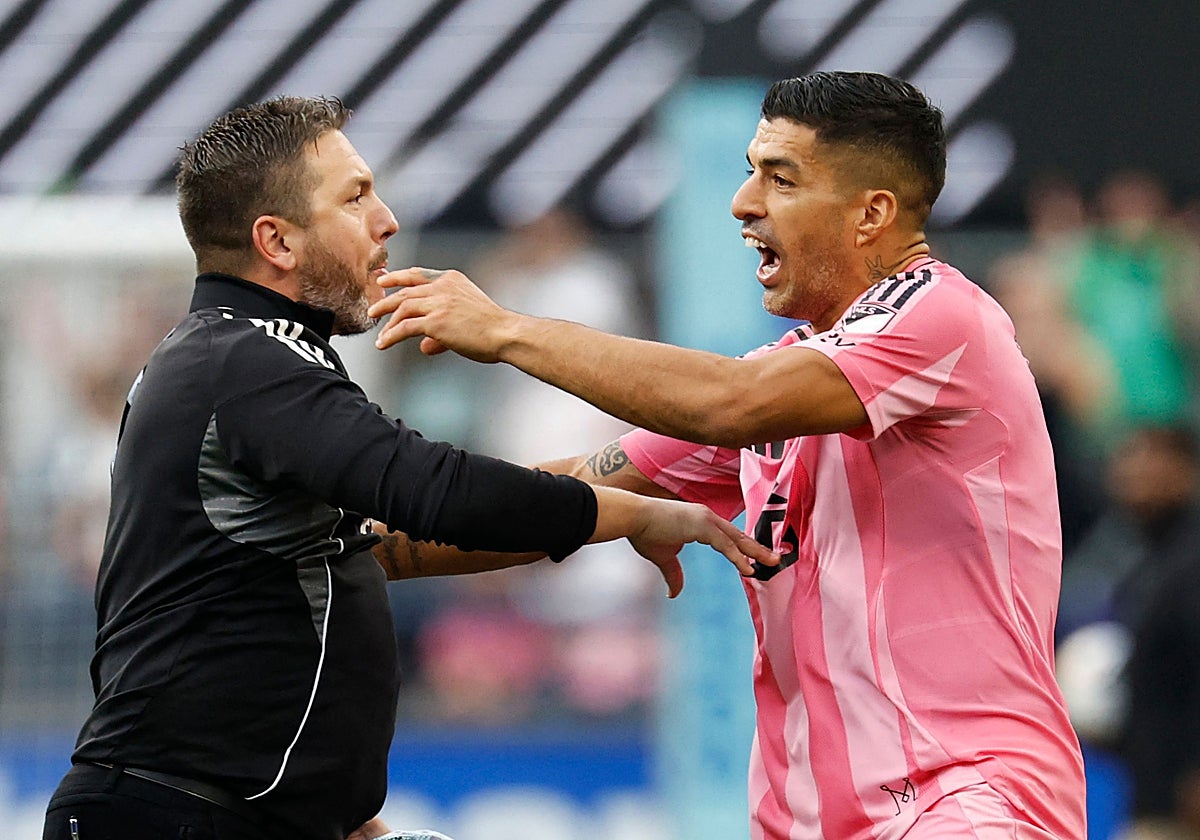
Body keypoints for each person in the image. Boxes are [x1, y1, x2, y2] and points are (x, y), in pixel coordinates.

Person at [369, 71, 1088, 838]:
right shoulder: (788, 383)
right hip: (813, 820)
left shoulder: (941, 319)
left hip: (968, 801)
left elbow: (728, 399)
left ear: (871, 214)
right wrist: (329, 551)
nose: (744, 203)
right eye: (750, 171)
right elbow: (564, 495)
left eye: (779, 178)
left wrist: (507, 329)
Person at [40, 95, 776, 840]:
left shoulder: (228, 356)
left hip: (216, 812)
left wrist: (328, 807)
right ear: (277, 242)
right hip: (172, 816)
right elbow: (436, 492)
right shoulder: (248, 359)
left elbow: (379, 544)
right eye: (355, 196)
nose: (385, 219)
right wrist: (631, 514)